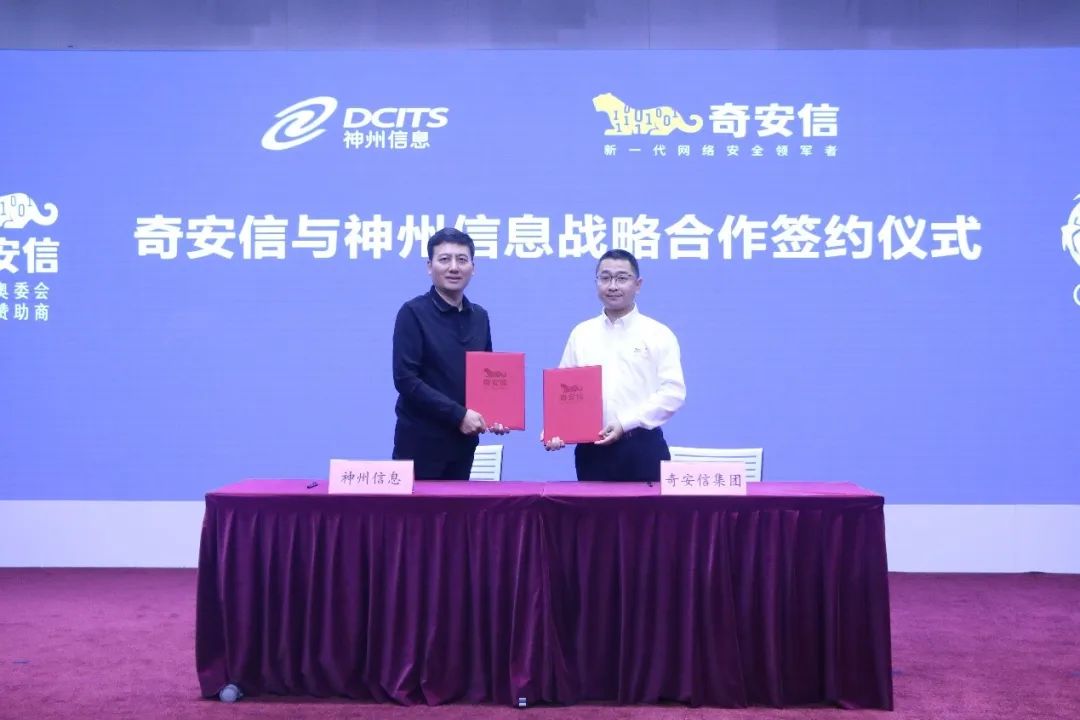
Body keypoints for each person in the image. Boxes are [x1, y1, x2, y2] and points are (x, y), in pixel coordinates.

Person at [542, 249, 686, 482]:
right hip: (592, 450)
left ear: (638, 284)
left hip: (643, 448)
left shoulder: (658, 334)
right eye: (605, 278)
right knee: (591, 508)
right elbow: (564, 390)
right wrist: (557, 428)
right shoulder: (582, 333)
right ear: (596, 282)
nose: (613, 286)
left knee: (648, 509)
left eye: (622, 278)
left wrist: (625, 423)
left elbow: (673, 393)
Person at [392, 228, 507, 480]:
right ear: (429, 266)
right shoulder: (412, 313)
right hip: (419, 443)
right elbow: (406, 380)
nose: (454, 267)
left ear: (473, 268)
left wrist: (496, 414)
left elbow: (487, 376)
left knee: (457, 506)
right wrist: (458, 415)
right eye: (444, 259)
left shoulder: (480, 317)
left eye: (462, 260)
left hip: (463, 442)